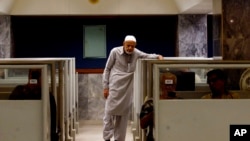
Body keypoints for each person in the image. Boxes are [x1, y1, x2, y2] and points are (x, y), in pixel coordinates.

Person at [102, 35, 163, 141]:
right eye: (128, 45)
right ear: (123, 44)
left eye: (132, 46)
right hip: (114, 86)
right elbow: (107, 69)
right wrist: (105, 87)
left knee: (123, 116)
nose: (130, 48)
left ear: (135, 46)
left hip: (126, 89)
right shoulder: (115, 52)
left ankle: (119, 139)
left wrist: (158, 56)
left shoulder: (136, 53)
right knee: (109, 113)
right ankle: (107, 138)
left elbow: (147, 56)